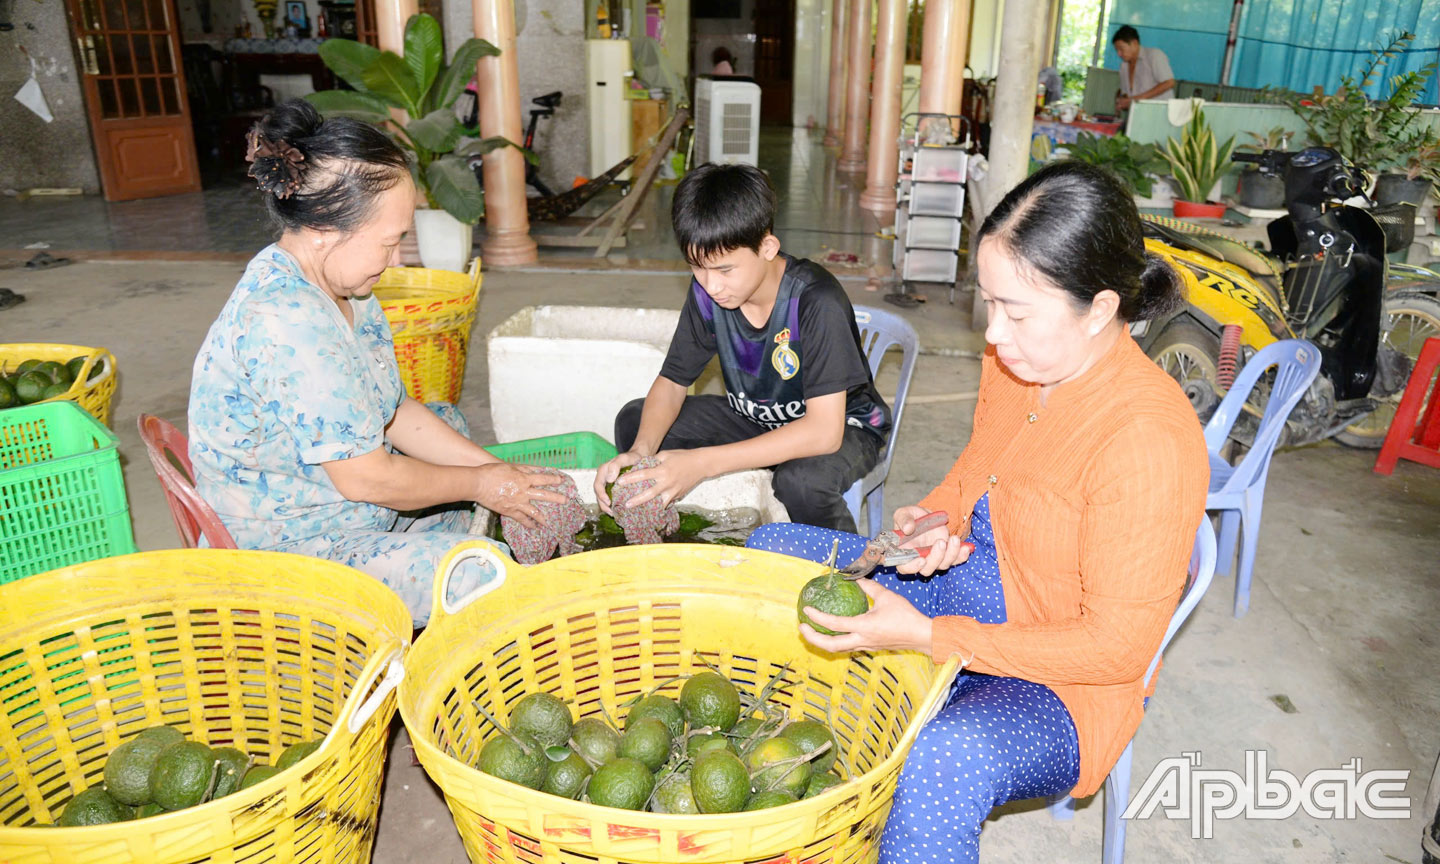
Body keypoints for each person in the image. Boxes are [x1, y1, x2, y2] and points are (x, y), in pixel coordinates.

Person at [745, 161, 1209, 863]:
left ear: (1102, 309)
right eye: (989, 305)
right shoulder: (1021, 361)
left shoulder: (1147, 441)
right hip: (981, 586)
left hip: (1065, 679)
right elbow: (977, 468)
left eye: (1016, 312)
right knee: (770, 548)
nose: (994, 336)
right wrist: (937, 519)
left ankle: (895, 723)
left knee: (947, 759)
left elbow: (1116, 647)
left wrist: (931, 635)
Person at [189, 99, 564, 626]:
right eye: (390, 243)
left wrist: (491, 471)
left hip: (336, 503)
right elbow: (366, 479)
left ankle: (426, 589)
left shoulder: (346, 289)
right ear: (325, 229)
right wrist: (485, 486)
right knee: (486, 574)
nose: (397, 260)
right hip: (286, 548)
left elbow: (394, 409)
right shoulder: (286, 320)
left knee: (447, 425)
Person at [595, 162, 892, 533]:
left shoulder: (816, 302)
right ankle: (668, 535)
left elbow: (823, 433)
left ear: (767, 247)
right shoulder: (708, 294)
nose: (711, 285)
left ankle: (842, 571)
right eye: (696, 267)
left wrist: (703, 463)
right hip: (757, 418)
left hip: (844, 426)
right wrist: (641, 452)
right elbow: (672, 381)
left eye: (724, 270)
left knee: (800, 481)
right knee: (636, 421)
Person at [1113, 24, 1175, 110]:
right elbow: (1127, 95)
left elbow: (1169, 82)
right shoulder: (1123, 66)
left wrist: (1138, 98)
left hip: (1160, 115)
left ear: (1134, 43)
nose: (1119, 54)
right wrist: (1123, 102)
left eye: (1121, 49)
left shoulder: (1154, 56)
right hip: (1138, 116)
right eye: (1117, 50)